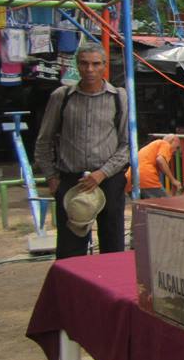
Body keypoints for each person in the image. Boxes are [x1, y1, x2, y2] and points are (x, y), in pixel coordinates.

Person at [34, 42, 129, 259]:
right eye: (85, 64)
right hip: (71, 180)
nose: (90, 70)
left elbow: (126, 144)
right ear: (77, 65)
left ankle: (109, 291)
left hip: (108, 179)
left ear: (104, 66)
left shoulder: (118, 96)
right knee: (70, 251)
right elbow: (43, 140)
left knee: (112, 246)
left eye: (96, 64)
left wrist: (102, 173)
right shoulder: (62, 96)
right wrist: (51, 178)